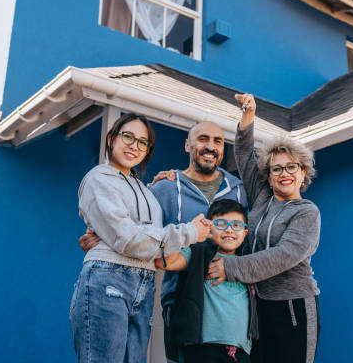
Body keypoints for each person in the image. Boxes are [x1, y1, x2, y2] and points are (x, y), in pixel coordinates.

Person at [79, 120, 248, 362]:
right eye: (202, 139)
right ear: (188, 145)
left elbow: (252, 241)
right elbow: (134, 223)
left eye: (218, 141)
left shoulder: (240, 191)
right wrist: (102, 234)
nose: (210, 146)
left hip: (229, 311)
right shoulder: (164, 188)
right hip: (178, 301)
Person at [207, 94, 321, 363]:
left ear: (303, 172)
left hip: (294, 307)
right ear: (268, 177)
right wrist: (248, 116)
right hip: (260, 306)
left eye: (291, 167)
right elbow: (245, 154)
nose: (284, 174)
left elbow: (283, 255)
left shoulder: (306, 212)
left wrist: (230, 268)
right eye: (277, 169)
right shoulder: (262, 197)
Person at [154, 199, 257, 363]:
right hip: (202, 347)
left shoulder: (248, 262)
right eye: (221, 224)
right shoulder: (198, 252)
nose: (229, 230)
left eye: (236, 225)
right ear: (209, 229)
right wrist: (191, 233)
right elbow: (164, 262)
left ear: (245, 232)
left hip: (240, 350)